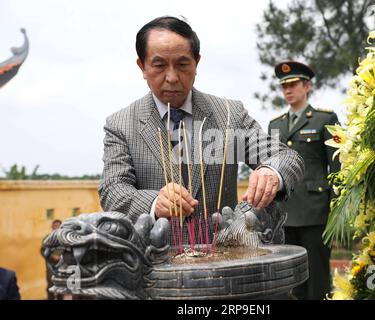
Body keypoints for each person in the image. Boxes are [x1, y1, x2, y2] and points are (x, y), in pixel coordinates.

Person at [98, 16, 304, 244]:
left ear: (197, 62)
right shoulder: (121, 124)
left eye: (182, 64)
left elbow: (284, 155)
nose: (172, 77)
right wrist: (156, 203)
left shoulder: (229, 115)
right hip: (155, 267)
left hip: (223, 261)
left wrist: (271, 172)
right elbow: (113, 190)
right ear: (142, 66)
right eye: (159, 65)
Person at [268, 61, 340, 300]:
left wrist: (336, 210)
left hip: (315, 211)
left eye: (293, 84)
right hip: (285, 212)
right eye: (284, 86)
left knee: (318, 276)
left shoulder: (324, 120)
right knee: (291, 277)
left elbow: (337, 166)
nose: (288, 90)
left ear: (307, 86)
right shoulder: (275, 125)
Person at [41, 219, 62, 300]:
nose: (56, 228)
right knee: (51, 286)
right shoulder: (47, 238)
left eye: (58, 226)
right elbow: (42, 251)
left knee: (61, 287)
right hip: (50, 266)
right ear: (52, 227)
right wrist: (51, 256)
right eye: (55, 226)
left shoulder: (64, 238)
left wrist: (62, 257)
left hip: (62, 266)